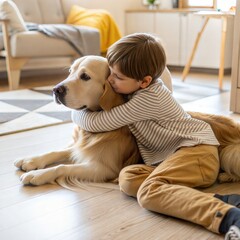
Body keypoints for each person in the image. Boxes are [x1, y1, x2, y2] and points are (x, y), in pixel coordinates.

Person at [72, 33, 240, 239]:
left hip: (197, 152)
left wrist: (74, 109)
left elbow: (98, 122)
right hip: (174, 157)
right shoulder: (135, 89)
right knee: (128, 178)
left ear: (145, 81)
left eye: (118, 77)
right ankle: (228, 200)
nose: (109, 79)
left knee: (148, 192)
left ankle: (229, 217)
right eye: (110, 73)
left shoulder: (148, 99)